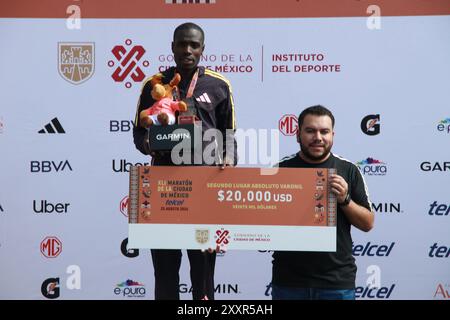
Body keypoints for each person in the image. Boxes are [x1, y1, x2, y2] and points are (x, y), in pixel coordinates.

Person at [133, 22, 237, 300]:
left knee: (203, 274)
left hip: (204, 191)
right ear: (172, 47)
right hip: (164, 188)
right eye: (182, 44)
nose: (187, 50)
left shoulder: (219, 85)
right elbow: (139, 132)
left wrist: (228, 156)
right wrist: (150, 144)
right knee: (165, 271)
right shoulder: (153, 85)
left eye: (194, 45)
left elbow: (229, 134)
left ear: (203, 49)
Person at [272, 105, 374, 300]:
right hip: (289, 282)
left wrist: (345, 200)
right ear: (297, 134)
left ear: (332, 135)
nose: (318, 137)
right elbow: (258, 218)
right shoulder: (279, 169)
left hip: (336, 283)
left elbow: (367, 223)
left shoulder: (348, 170)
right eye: (310, 131)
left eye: (324, 131)